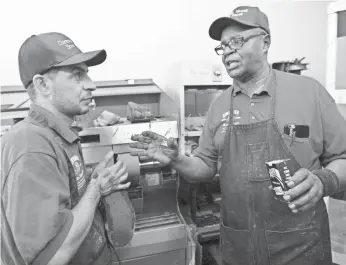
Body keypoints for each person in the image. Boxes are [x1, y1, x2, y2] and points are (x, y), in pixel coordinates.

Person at [130, 6, 346, 265]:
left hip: (301, 245)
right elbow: (206, 167)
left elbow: (343, 157)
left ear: (265, 42)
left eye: (238, 40)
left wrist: (324, 181)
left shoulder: (310, 93)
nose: (228, 50)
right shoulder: (218, 106)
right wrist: (177, 159)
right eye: (223, 46)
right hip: (240, 248)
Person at [1, 32, 132, 265]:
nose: (91, 85)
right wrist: (96, 189)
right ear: (43, 85)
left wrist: (91, 182)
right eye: (77, 75)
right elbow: (52, 257)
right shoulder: (32, 147)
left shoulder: (60, 135)